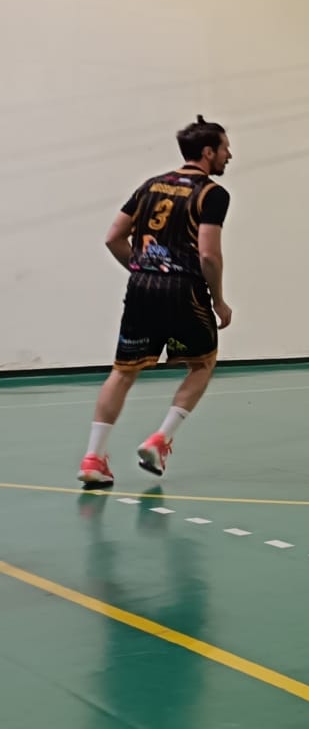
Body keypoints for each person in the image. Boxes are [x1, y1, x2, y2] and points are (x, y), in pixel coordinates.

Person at [78, 117, 235, 490]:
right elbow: (208, 255)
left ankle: (93, 458)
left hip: (142, 286)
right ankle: (160, 439)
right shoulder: (212, 194)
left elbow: (113, 237)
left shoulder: (150, 185)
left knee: (122, 372)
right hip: (185, 289)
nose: (229, 155)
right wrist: (219, 300)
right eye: (225, 148)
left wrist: (142, 270)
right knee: (202, 364)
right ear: (208, 152)